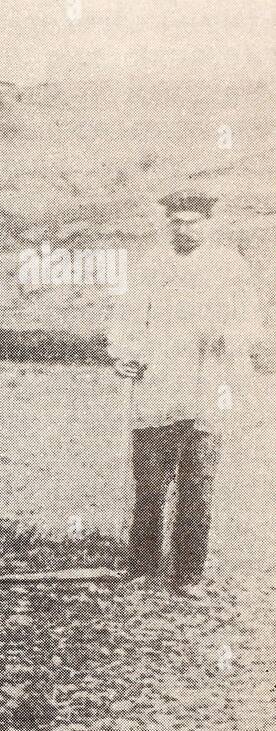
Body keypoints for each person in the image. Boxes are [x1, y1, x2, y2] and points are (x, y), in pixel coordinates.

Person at [108, 188, 267, 590]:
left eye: (192, 223)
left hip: (207, 391)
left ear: (208, 224)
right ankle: (142, 564)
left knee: (197, 484)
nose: (183, 229)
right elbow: (126, 317)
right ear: (167, 224)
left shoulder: (230, 267)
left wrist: (227, 337)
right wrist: (125, 352)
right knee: (148, 482)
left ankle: (188, 572)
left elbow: (250, 324)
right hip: (158, 389)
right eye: (175, 222)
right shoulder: (151, 266)